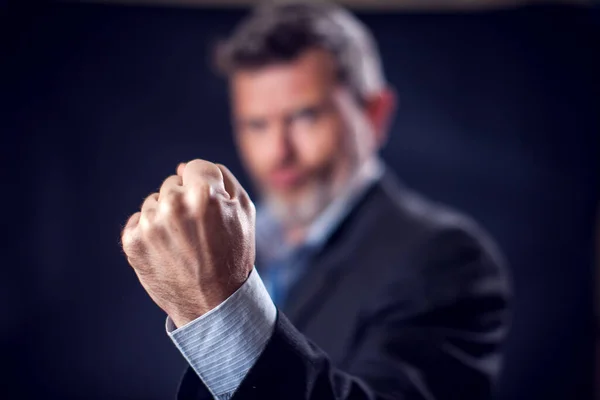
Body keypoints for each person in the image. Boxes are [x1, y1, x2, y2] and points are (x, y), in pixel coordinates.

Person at [121, 3, 511, 400]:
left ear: (375, 115)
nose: (278, 152)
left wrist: (218, 308)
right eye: (256, 124)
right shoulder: (228, 243)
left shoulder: (446, 258)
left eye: (305, 116)